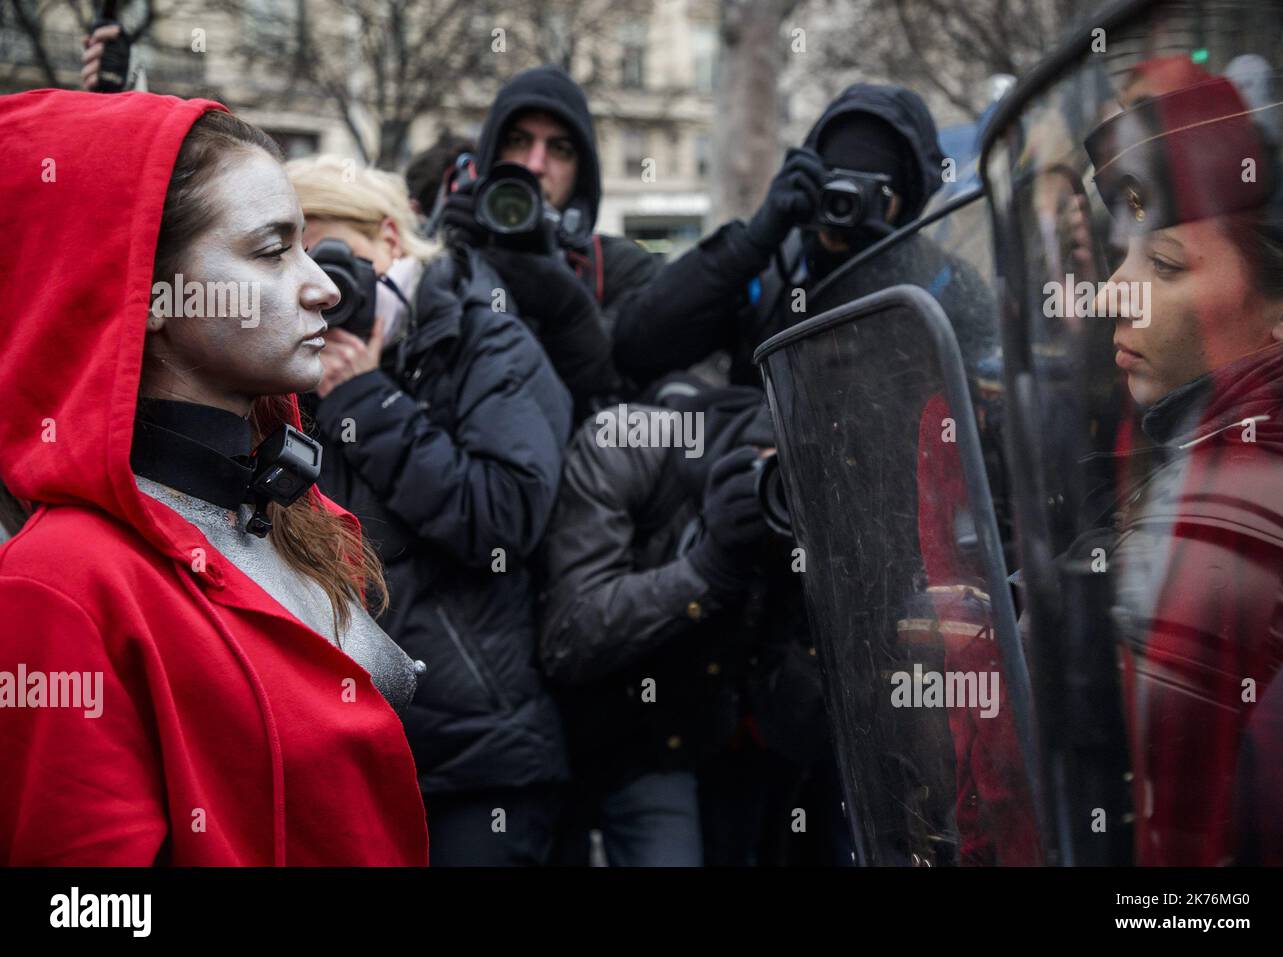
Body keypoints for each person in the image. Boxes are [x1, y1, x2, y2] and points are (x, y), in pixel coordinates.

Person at [0, 90, 427, 865]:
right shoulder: (57, 579)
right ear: (151, 291)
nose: (324, 286)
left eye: (305, 245)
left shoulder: (291, 510)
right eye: (271, 251)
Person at [286, 155, 573, 866]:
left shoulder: (482, 333)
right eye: (286, 263)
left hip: (477, 759)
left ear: (389, 236)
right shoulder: (287, 354)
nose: (317, 288)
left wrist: (365, 399)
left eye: (327, 254)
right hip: (335, 751)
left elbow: (505, 512)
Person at [1080, 66, 1283, 864]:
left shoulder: (1249, 484)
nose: (1111, 295)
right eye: (1124, 256)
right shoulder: (1193, 444)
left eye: (1165, 266)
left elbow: (1178, 839)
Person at [539, 384, 826, 865]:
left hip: (684, 749)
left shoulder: (802, 533)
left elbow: (795, 725)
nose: (779, 497)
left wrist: (807, 579)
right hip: (570, 735)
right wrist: (705, 568)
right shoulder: (628, 446)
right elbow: (569, 637)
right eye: (772, 471)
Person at [612, 84, 945, 387]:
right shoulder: (771, 273)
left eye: (871, 190)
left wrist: (884, 269)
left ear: (908, 204)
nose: (845, 203)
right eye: (833, 180)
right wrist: (749, 243)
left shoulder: (941, 285)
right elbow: (637, 350)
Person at [438, 65, 660, 418]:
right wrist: (444, 250)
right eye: (518, 141)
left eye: (560, 149)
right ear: (490, 155)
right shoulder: (451, 249)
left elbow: (616, 406)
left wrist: (566, 305)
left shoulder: (621, 268)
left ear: (582, 171)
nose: (536, 164)